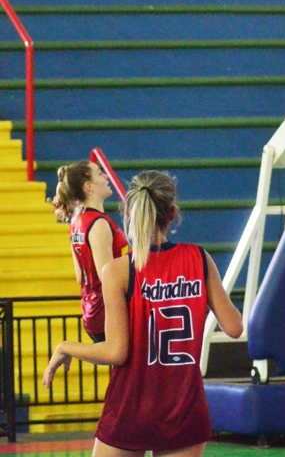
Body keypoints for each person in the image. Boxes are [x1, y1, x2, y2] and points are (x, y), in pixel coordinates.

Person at [43, 170, 243, 456]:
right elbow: (234, 327)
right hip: (183, 408)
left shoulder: (118, 271)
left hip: (133, 405)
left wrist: (66, 347)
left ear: (128, 210)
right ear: (171, 214)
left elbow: (116, 353)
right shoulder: (199, 258)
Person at [50, 160, 130, 343]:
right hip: (108, 315)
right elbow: (108, 278)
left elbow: (80, 276)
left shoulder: (77, 221)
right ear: (89, 186)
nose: (106, 176)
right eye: (100, 173)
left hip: (91, 311)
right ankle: (66, 349)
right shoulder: (98, 223)